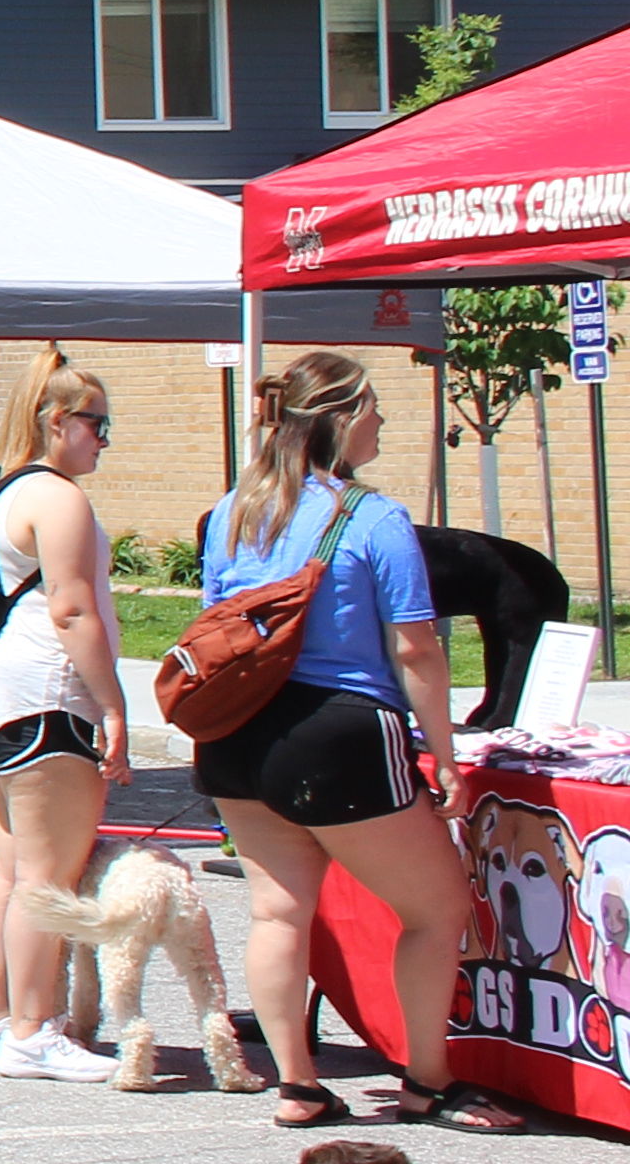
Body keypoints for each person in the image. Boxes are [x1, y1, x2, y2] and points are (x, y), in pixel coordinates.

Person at [195, 352, 517, 1133]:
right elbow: (416, 650)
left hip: (235, 734)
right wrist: (442, 754)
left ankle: (297, 1085)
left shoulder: (232, 511)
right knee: (437, 906)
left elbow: (215, 626)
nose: (383, 423)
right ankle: (428, 1080)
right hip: (337, 731)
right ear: (339, 419)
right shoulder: (372, 517)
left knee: (277, 912)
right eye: (373, 409)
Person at [0, 357, 128, 1083]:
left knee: (13, 873)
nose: (103, 442)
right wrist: (112, 703)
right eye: (98, 425)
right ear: (59, 422)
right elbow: (72, 607)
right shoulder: (59, 498)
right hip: (46, 695)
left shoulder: (8, 491)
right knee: (44, 879)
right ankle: (32, 1031)